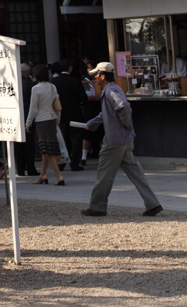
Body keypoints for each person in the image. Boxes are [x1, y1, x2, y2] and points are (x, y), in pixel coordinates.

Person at [81, 61, 163, 217]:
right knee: (136, 174)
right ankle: (153, 204)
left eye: (96, 75)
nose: (95, 78)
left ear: (102, 76)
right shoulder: (116, 88)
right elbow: (108, 113)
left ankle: (97, 207)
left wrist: (125, 124)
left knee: (104, 174)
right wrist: (93, 123)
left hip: (114, 139)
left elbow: (123, 107)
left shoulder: (110, 91)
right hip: (125, 139)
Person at [26, 63, 65, 185]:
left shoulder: (35, 89)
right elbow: (57, 105)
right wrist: (58, 120)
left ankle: (59, 176)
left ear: (36, 76)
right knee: (47, 149)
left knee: (46, 150)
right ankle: (43, 175)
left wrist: (28, 123)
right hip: (52, 118)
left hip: (41, 120)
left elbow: (33, 108)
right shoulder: (52, 86)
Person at [52, 59, 87, 171]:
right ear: (70, 68)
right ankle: (74, 163)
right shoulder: (75, 81)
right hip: (75, 114)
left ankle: (61, 163)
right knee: (76, 139)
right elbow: (84, 98)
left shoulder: (54, 82)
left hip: (60, 115)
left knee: (62, 139)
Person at [15, 62, 38, 177]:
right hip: (28, 116)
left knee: (18, 144)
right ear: (28, 72)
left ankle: (20, 169)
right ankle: (30, 168)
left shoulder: (14, 83)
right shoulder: (31, 84)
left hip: (16, 117)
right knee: (29, 144)